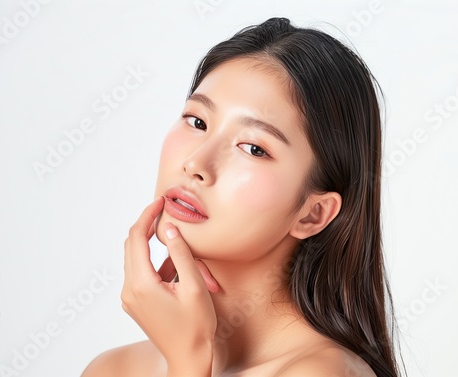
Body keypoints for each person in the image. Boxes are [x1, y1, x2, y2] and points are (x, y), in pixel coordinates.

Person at [82, 17, 402, 377]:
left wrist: (189, 362)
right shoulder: (112, 368)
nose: (196, 163)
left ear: (312, 214)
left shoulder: (326, 373)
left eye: (253, 148)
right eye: (197, 122)